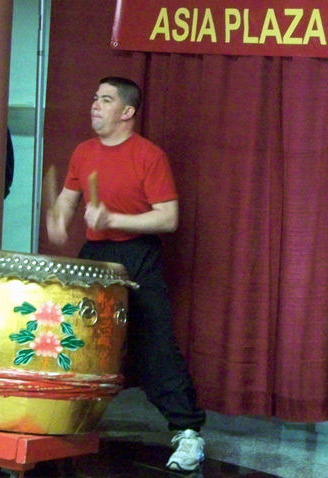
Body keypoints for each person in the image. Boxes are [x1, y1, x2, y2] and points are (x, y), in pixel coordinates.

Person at [46, 76, 206, 472]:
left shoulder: (149, 156)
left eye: (105, 99)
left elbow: (169, 219)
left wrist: (112, 216)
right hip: (95, 254)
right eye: (94, 97)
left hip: (138, 254)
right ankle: (62, 421)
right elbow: (68, 199)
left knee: (153, 342)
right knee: (77, 338)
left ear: (127, 112)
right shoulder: (83, 152)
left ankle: (188, 434)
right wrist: (58, 219)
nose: (95, 105)